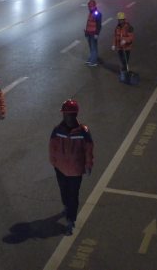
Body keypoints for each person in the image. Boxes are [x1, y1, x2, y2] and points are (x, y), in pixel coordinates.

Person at [49, 99, 94, 236]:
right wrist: (54, 163)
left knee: (73, 195)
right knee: (64, 191)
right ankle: (66, 207)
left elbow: (88, 150)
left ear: (74, 115)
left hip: (75, 170)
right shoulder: (57, 130)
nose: (67, 117)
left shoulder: (83, 132)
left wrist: (88, 165)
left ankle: (70, 220)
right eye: (66, 114)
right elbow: (52, 147)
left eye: (69, 114)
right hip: (61, 169)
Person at [111, 11, 135, 81]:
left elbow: (131, 37)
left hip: (126, 48)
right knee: (122, 61)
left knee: (125, 61)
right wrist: (113, 44)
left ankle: (124, 75)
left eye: (121, 20)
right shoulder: (117, 28)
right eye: (119, 20)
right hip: (120, 48)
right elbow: (115, 37)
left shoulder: (129, 27)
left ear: (124, 19)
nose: (120, 21)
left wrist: (125, 40)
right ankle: (124, 73)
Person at [84, 0, 102, 67]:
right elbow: (88, 23)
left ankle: (94, 61)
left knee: (94, 47)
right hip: (89, 33)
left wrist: (97, 34)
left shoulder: (97, 14)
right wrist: (86, 32)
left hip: (93, 33)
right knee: (91, 47)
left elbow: (99, 25)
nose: (89, 8)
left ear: (94, 6)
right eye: (89, 7)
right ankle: (91, 58)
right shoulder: (90, 13)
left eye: (91, 7)